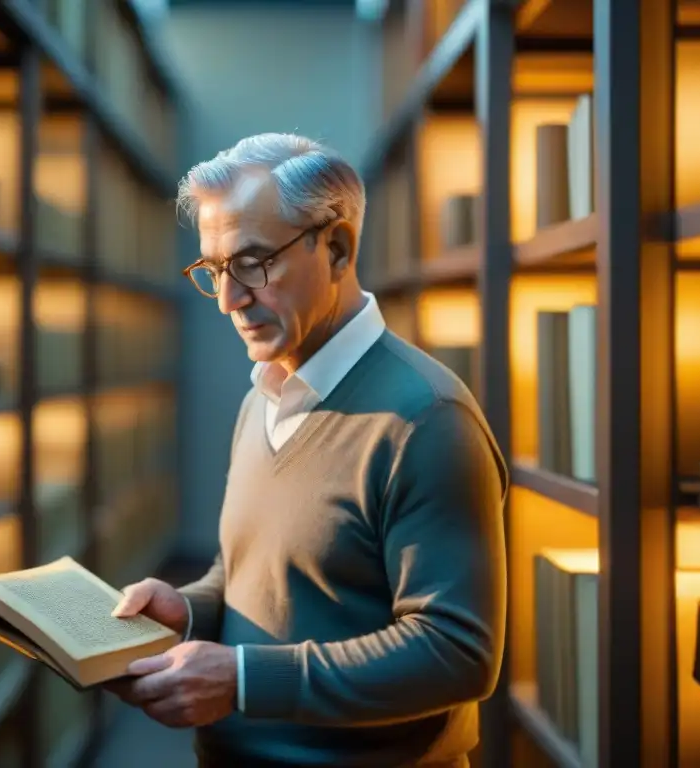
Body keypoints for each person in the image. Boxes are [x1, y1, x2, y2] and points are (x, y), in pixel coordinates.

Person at [107, 132, 508, 768]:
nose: (231, 300)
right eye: (214, 271)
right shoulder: (262, 397)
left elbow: (456, 651)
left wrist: (241, 679)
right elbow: (256, 576)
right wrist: (187, 610)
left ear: (339, 248)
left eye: (254, 262)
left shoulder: (426, 419)